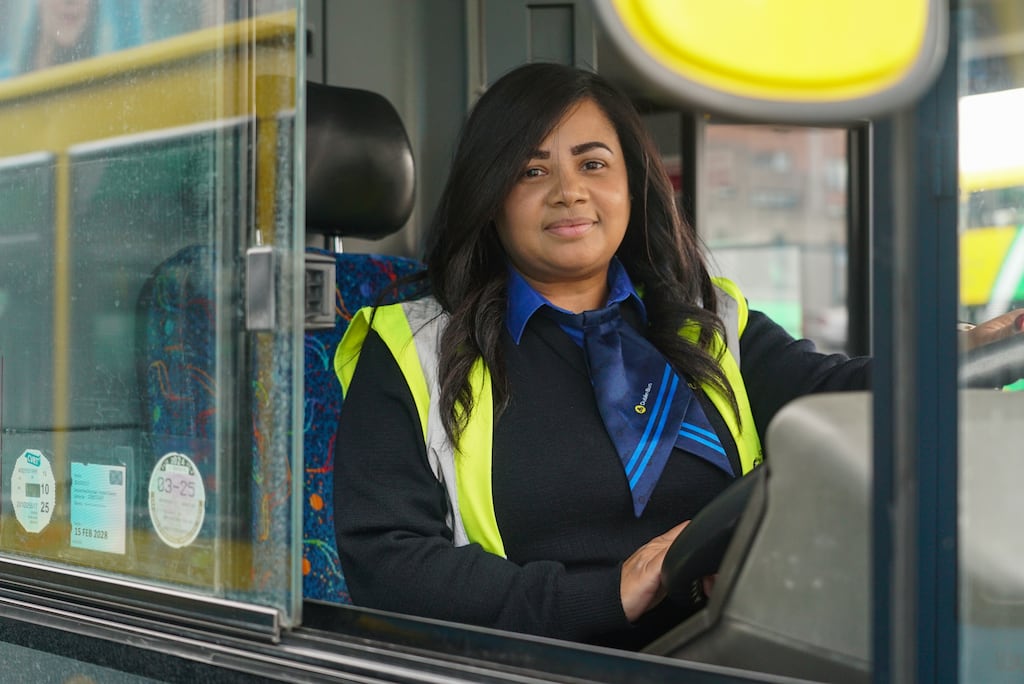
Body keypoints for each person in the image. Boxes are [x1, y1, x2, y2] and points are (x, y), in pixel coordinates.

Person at [331, 62, 1024, 650]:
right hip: (538, 664)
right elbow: (390, 565)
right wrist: (606, 593)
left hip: (738, 647)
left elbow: (835, 397)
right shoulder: (411, 347)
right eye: (529, 170)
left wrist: (968, 352)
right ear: (492, 199)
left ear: (630, 182)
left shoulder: (708, 322)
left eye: (592, 164)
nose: (568, 191)